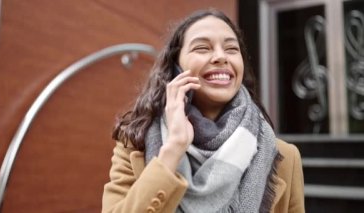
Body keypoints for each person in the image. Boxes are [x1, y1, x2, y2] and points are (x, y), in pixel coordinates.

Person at [102, 9, 305, 213]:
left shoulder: (285, 158)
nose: (220, 57)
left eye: (231, 49)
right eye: (202, 48)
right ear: (176, 68)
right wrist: (173, 149)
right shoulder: (134, 145)